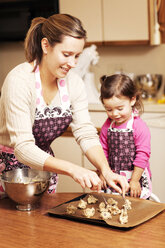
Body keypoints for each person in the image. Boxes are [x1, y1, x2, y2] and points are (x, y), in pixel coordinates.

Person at [0, 14, 129, 198]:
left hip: (44, 169)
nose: (73, 63)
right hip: (9, 174)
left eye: (77, 56)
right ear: (46, 46)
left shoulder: (74, 83)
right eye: (67, 55)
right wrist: (73, 169)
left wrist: (105, 170)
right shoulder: (19, 81)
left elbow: (85, 132)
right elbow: (23, 148)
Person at [99, 74, 152, 199]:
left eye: (120, 108)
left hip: (135, 178)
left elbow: (142, 155)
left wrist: (134, 181)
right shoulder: (107, 126)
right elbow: (102, 151)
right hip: (114, 178)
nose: (115, 114)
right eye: (109, 109)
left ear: (132, 100)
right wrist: (103, 173)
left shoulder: (139, 126)